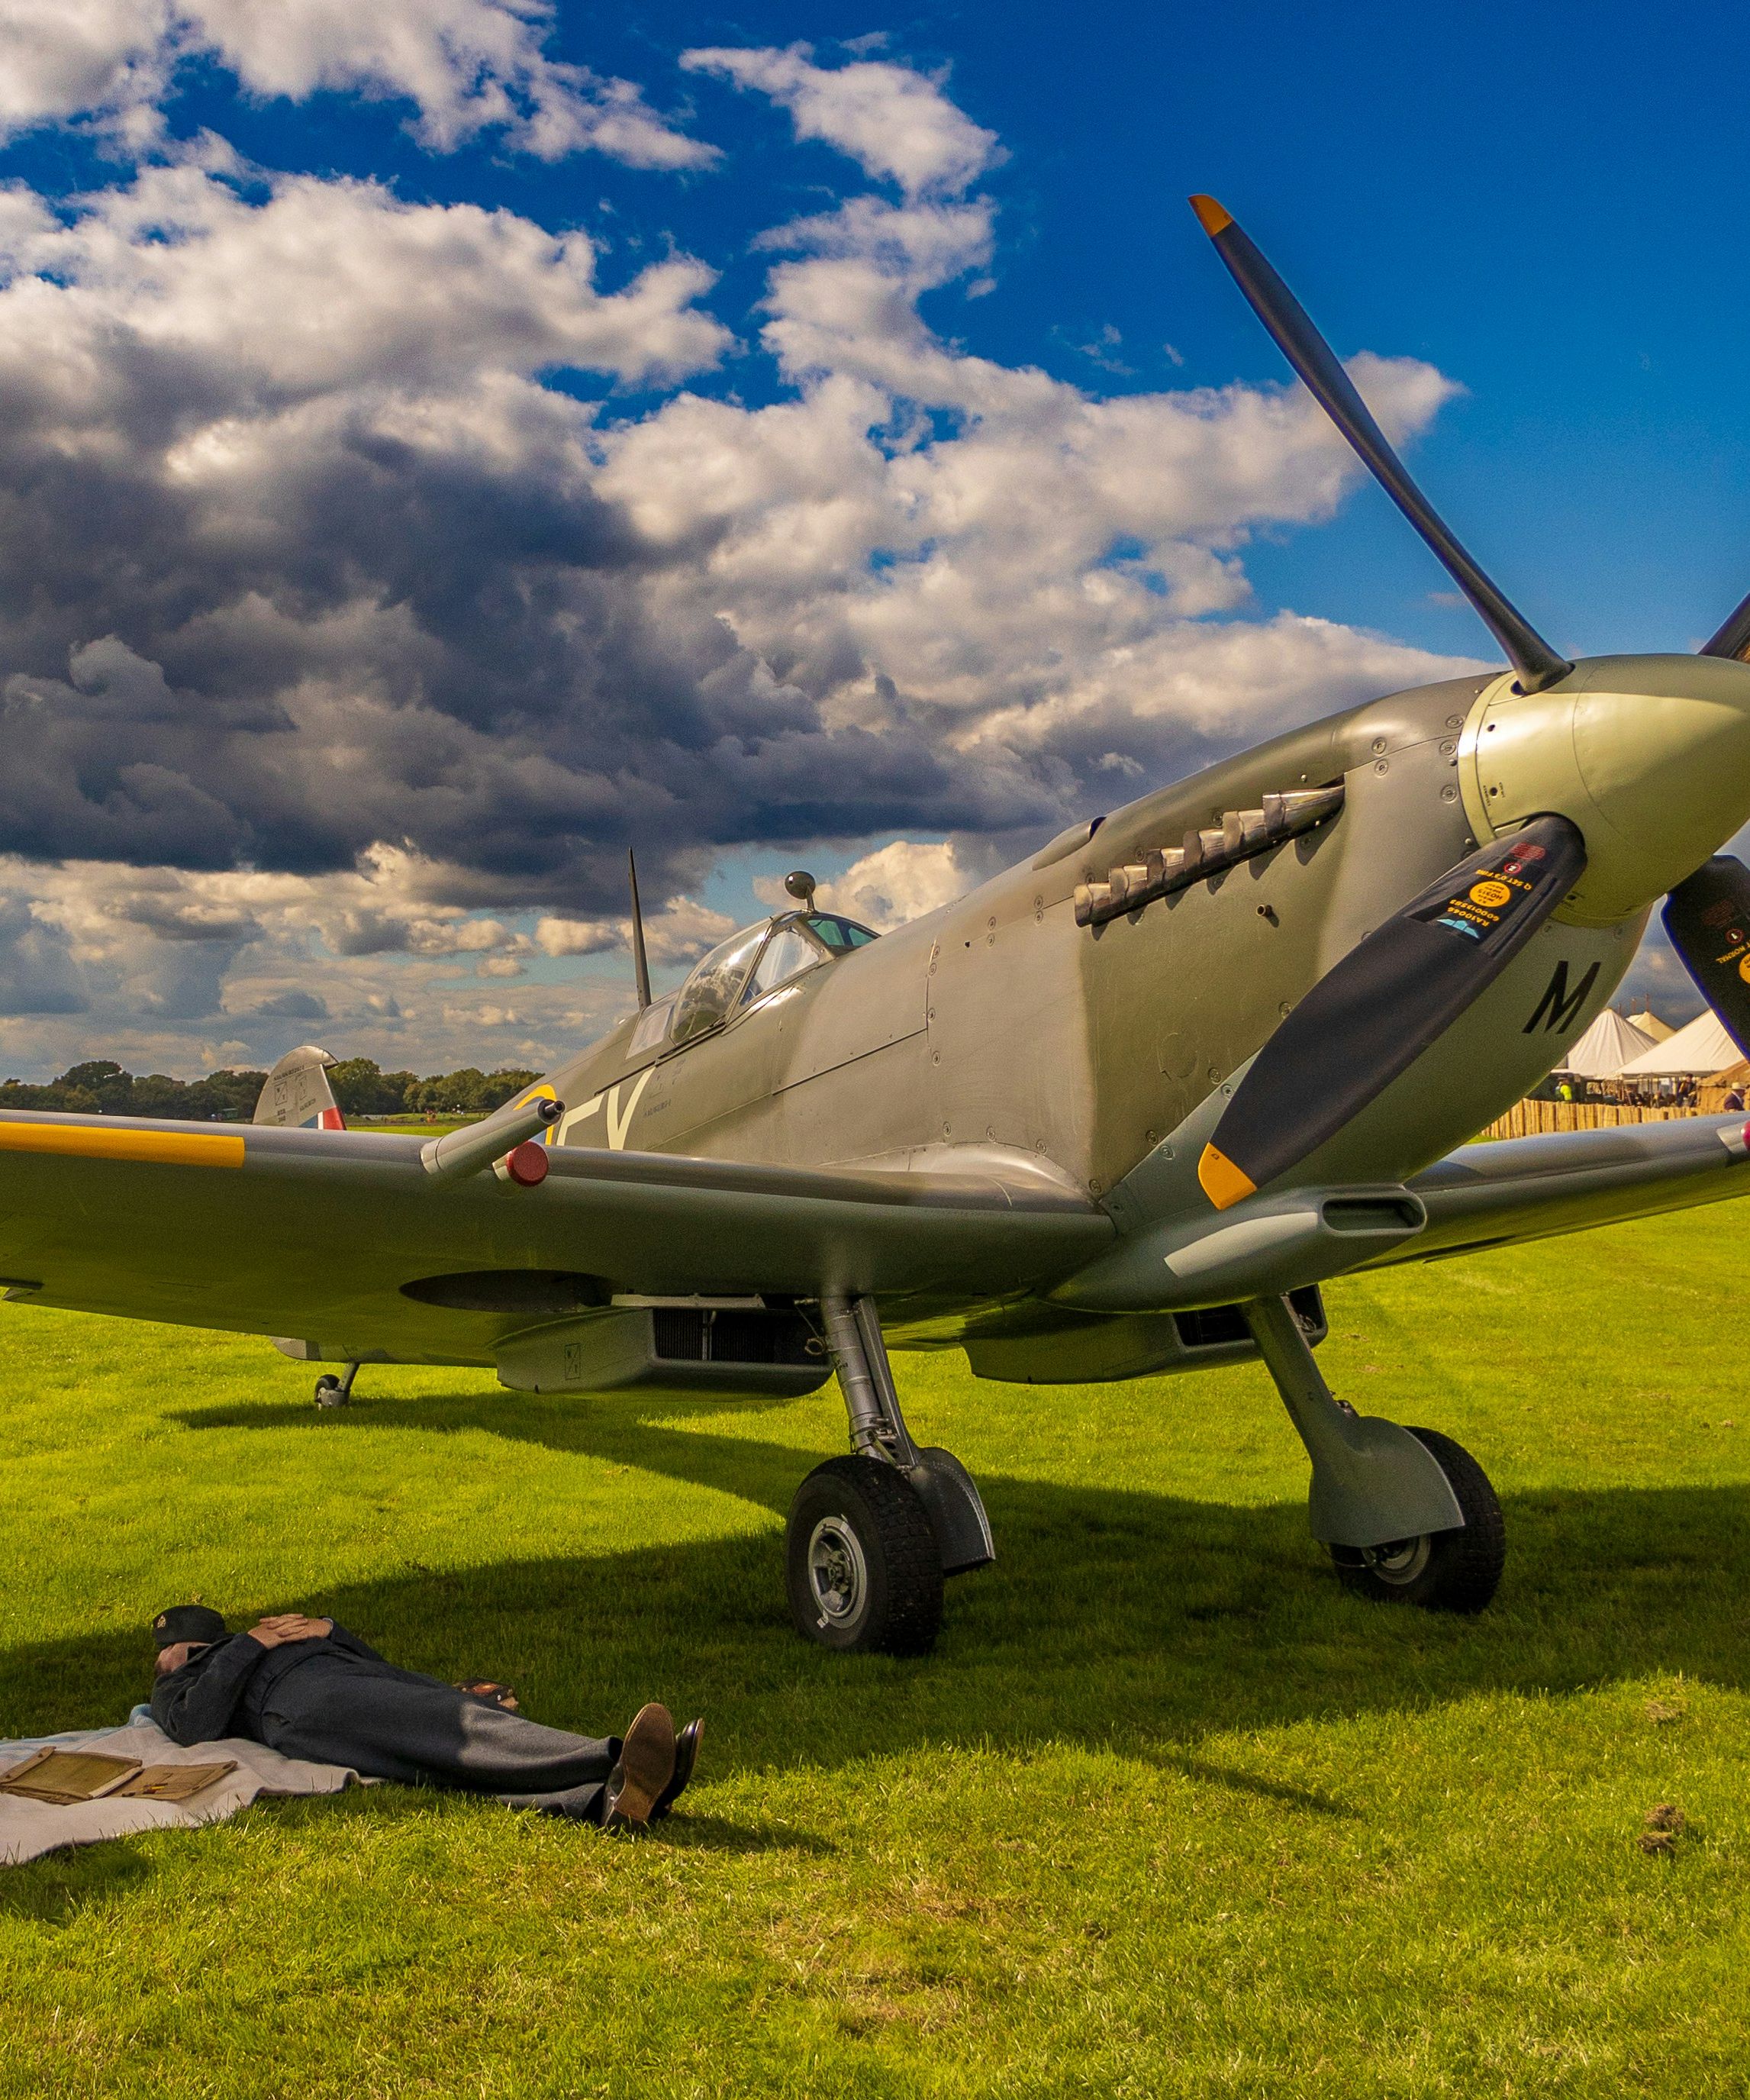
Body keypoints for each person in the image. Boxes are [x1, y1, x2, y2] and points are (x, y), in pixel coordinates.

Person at [149, 1605, 702, 1830]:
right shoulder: (197, 1671)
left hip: (343, 1678)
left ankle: (605, 1803)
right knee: (453, 1724)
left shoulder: (243, 1642)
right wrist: (250, 1643)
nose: (160, 1662)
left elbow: (376, 1665)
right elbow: (194, 1724)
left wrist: (330, 1630)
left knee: (442, 1746)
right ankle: (609, 1757)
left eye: (166, 1651)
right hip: (299, 1699)